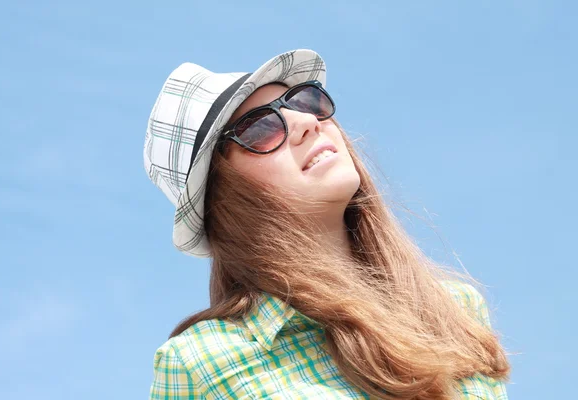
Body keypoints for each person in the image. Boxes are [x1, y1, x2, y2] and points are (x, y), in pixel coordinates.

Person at [143, 49, 511, 399]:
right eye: (260, 129)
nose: (306, 122)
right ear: (225, 197)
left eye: (304, 101)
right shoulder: (198, 362)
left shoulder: (455, 309)